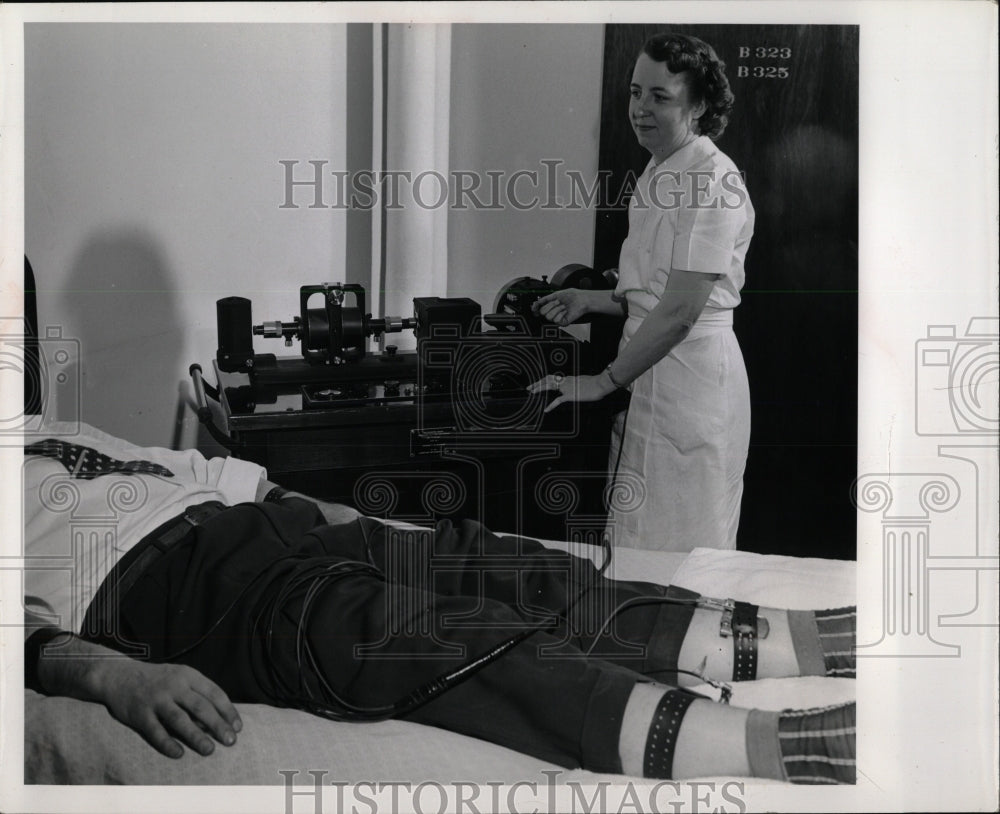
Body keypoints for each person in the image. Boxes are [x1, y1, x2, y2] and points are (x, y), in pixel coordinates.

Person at [22, 422, 854, 784]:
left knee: (497, 562)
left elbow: (186, 470)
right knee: (412, 634)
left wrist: (327, 512)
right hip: (164, 589)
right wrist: (108, 679)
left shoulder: (46, 425)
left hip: (257, 524)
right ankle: (776, 744)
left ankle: (792, 642)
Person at [529, 33, 753, 552]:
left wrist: (602, 382)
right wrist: (593, 301)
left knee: (685, 557)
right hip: (649, 378)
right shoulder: (660, 169)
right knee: (634, 545)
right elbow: (655, 291)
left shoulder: (712, 179)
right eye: (635, 93)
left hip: (693, 382)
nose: (640, 109)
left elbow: (679, 313)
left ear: (697, 106)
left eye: (660, 97)